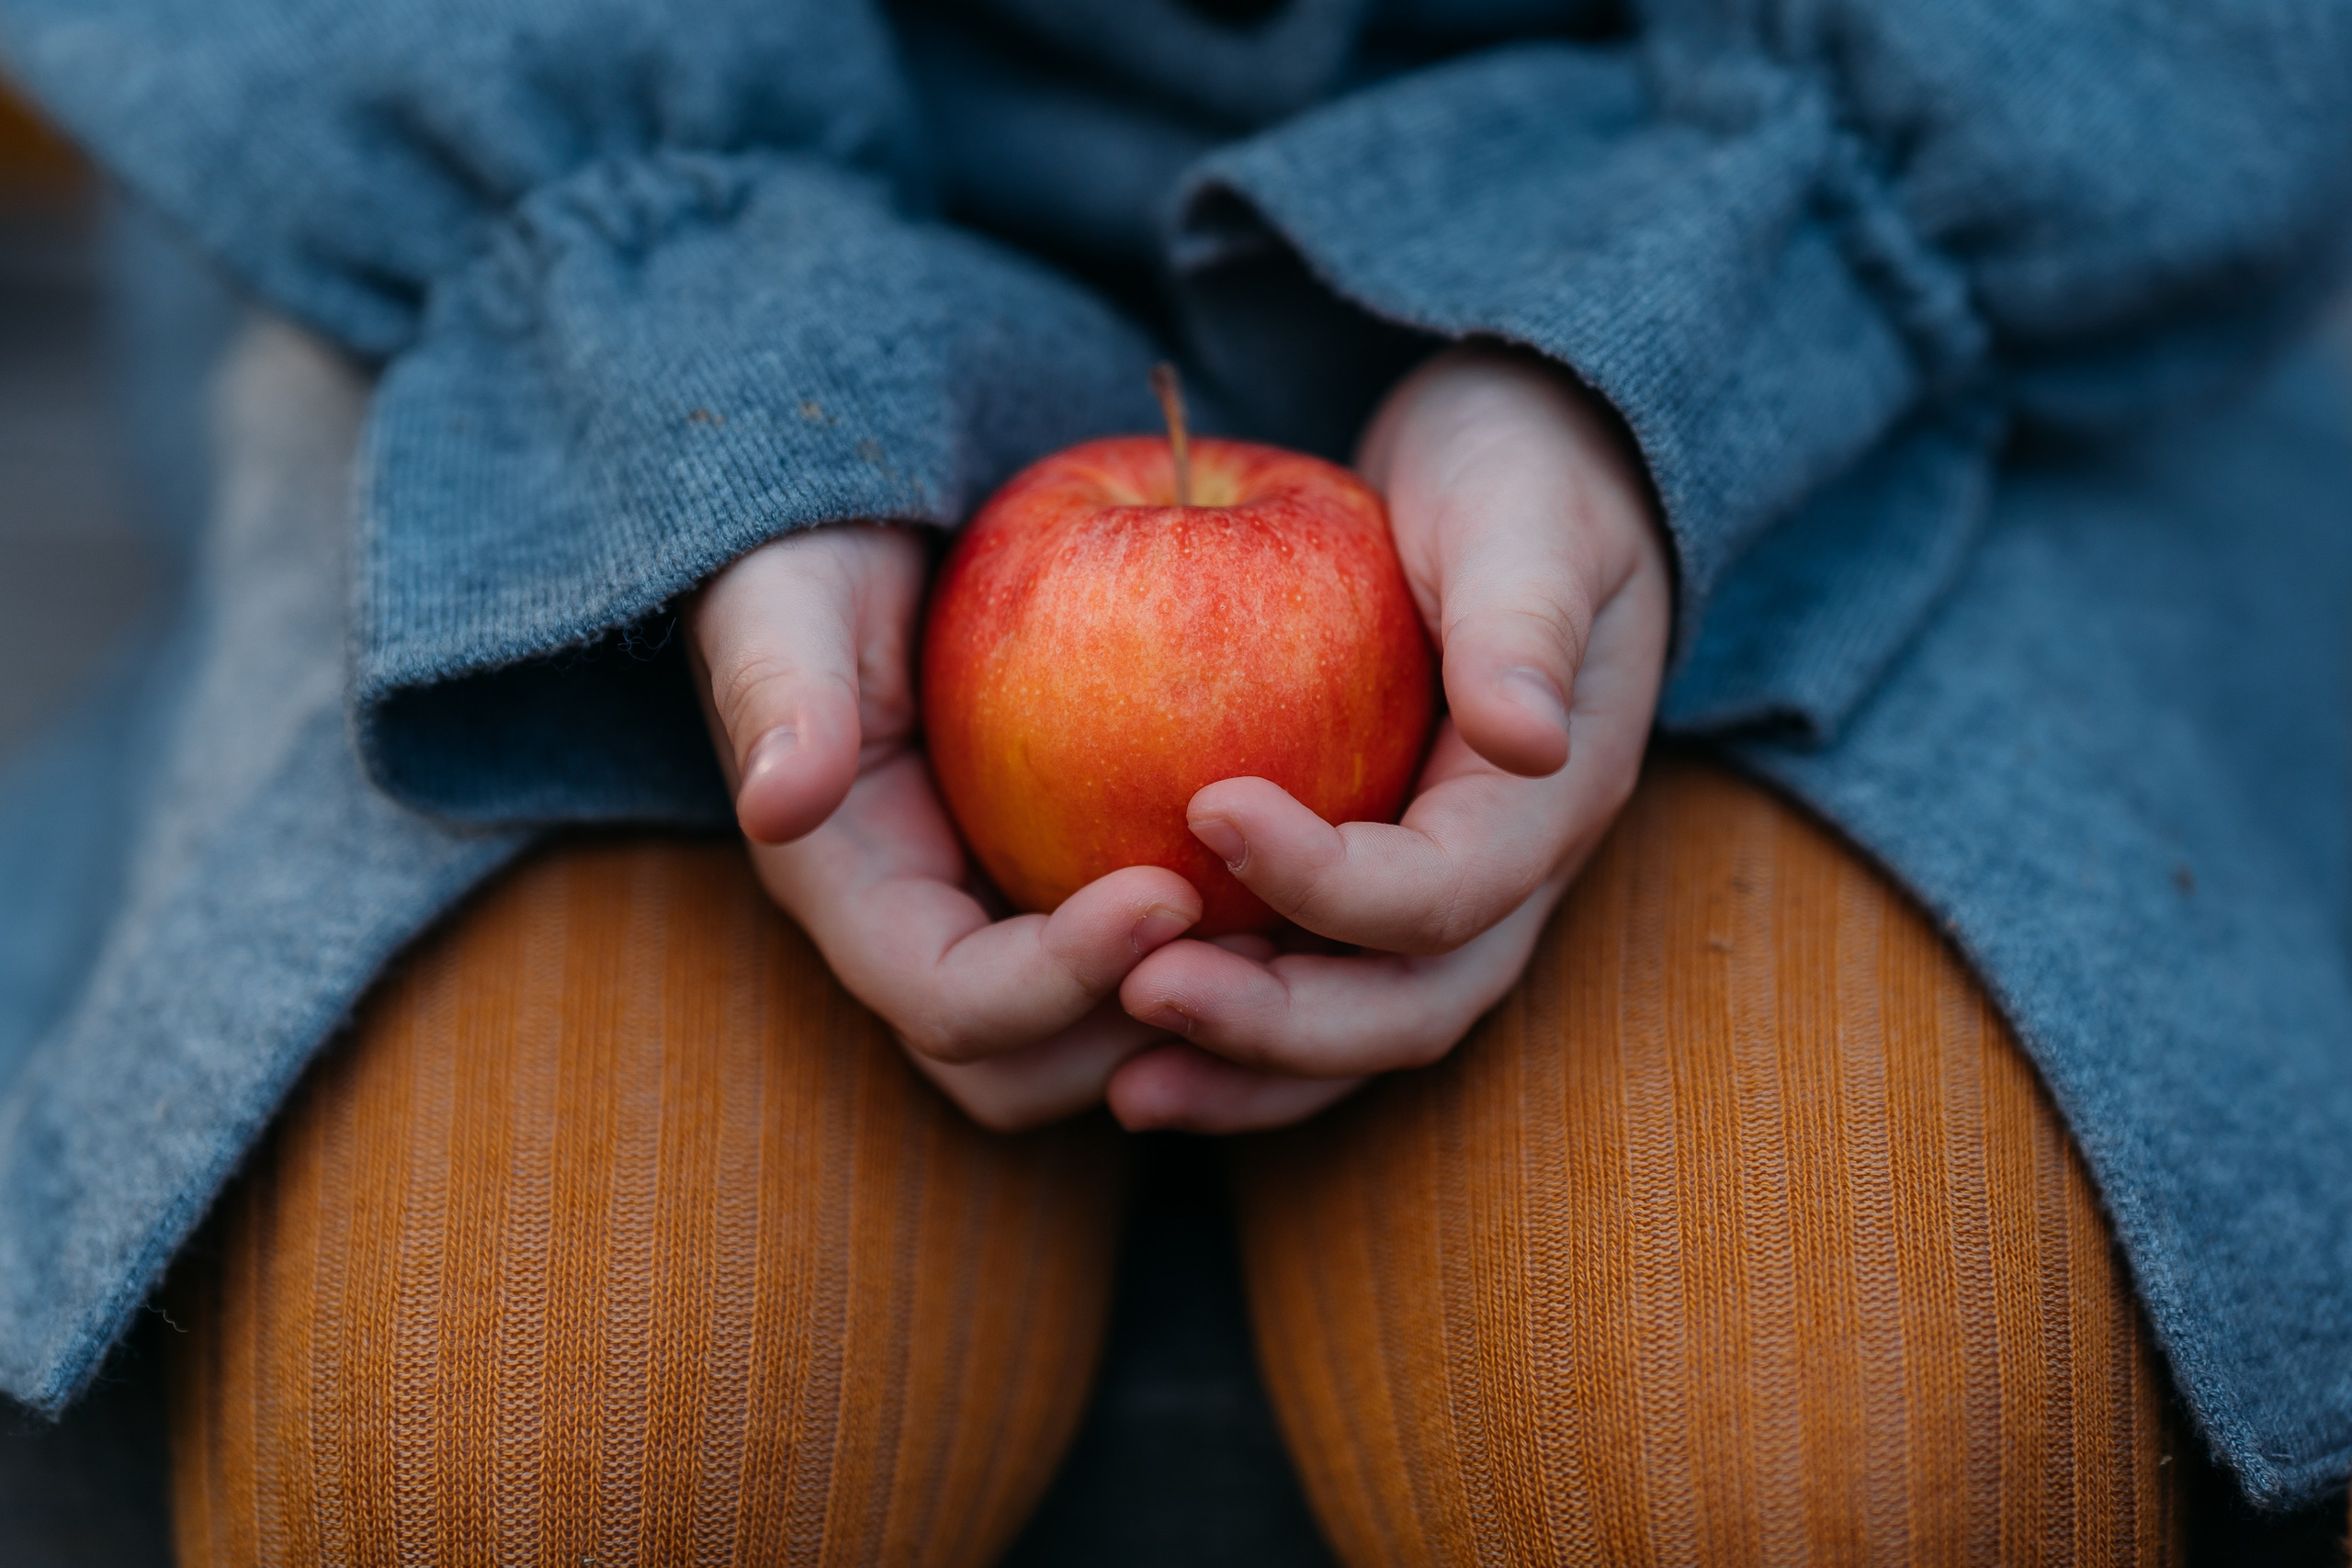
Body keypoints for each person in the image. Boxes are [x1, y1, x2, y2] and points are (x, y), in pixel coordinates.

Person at [0, 0, 2347, 1560]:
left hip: (1841, 229)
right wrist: (707, 390)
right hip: (558, 193)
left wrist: (1682, 334)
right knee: (537, 1461)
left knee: (1810, 1470)